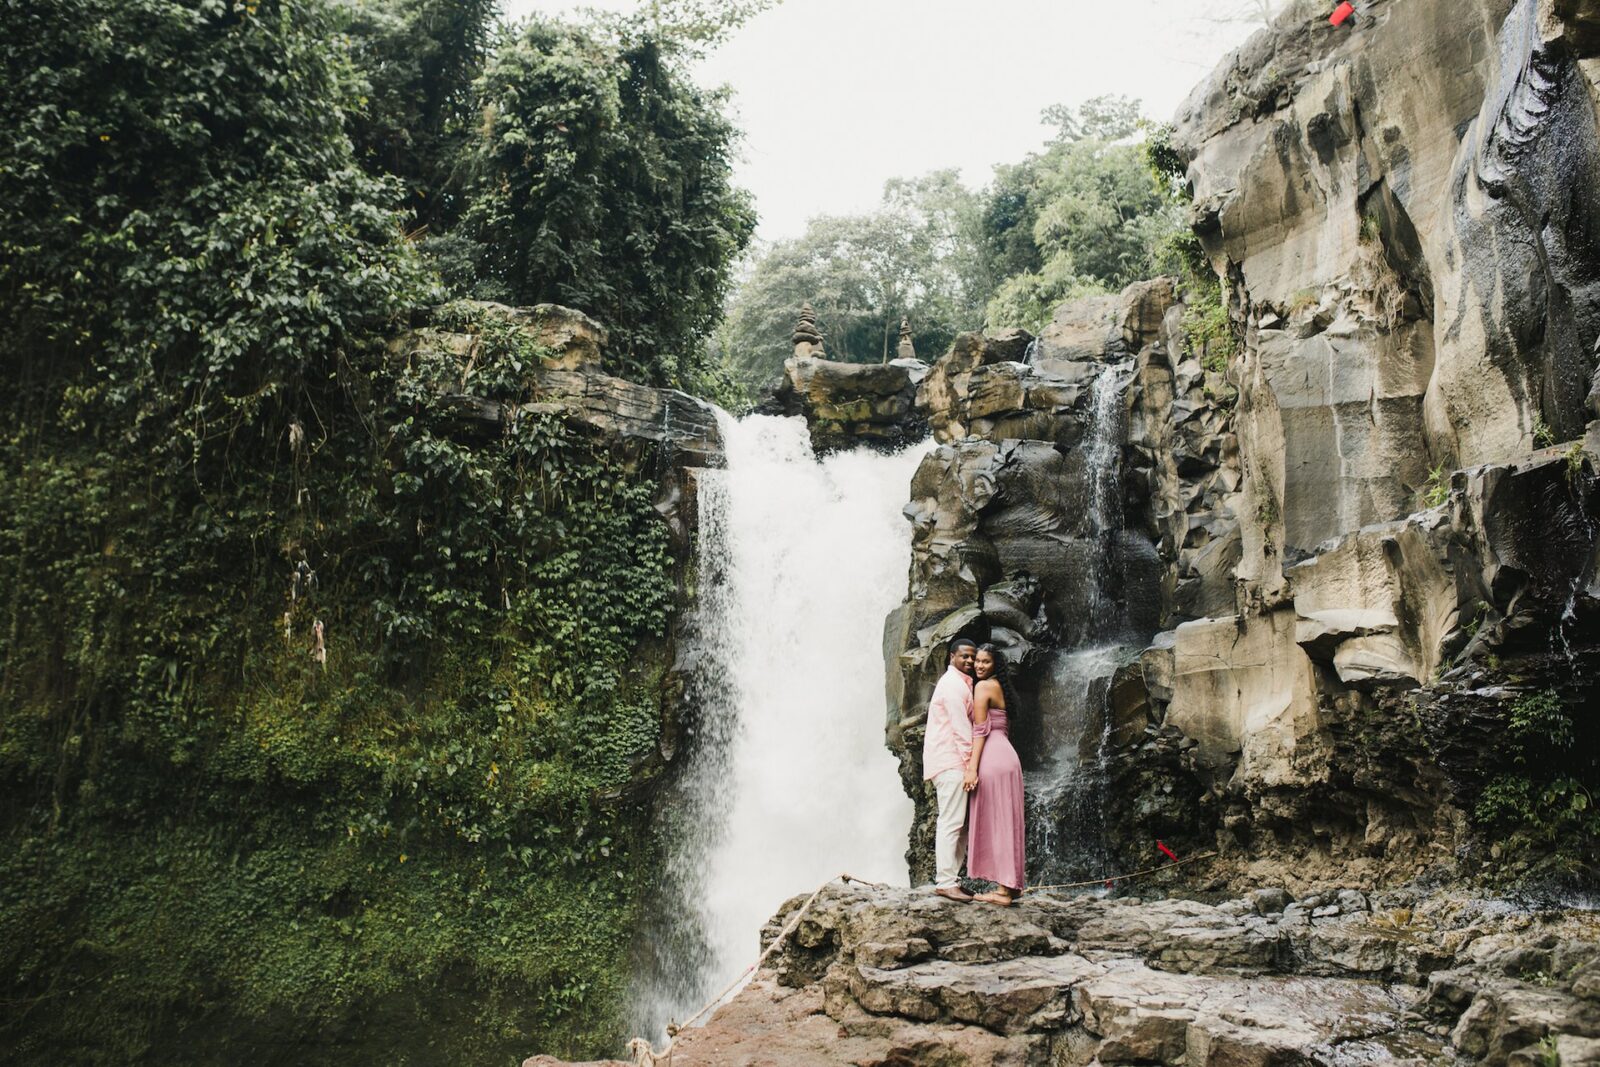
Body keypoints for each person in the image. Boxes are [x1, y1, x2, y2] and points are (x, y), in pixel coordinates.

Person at [964, 644, 1025, 905]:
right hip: (1008, 756)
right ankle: (1009, 886)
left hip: (992, 757)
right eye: (977, 661)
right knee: (1007, 821)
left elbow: (980, 731)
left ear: (994, 664)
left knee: (997, 822)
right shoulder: (1002, 687)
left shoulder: (982, 687)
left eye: (985, 662)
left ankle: (1002, 891)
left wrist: (971, 768)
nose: (979, 666)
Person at [922, 637, 976, 901]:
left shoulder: (961, 684)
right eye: (964, 656)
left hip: (951, 762)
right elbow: (961, 728)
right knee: (951, 821)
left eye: (972, 657)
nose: (969, 660)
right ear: (951, 657)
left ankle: (952, 879)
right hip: (951, 761)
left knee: (961, 823)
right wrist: (970, 766)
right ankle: (945, 881)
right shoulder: (953, 685)